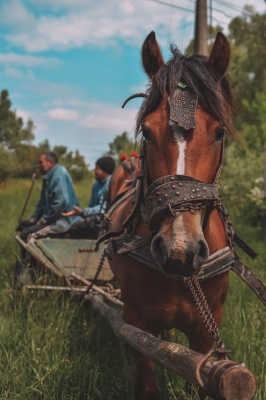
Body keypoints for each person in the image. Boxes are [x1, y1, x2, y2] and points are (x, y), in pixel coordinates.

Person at [18, 151, 80, 242]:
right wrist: (33, 219)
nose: (38, 166)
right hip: (53, 219)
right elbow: (42, 202)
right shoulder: (48, 177)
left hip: (62, 222)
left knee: (26, 235)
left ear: (50, 163)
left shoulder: (58, 174)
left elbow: (61, 202)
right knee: (24, 226)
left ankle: (31, 256)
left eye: (40, 162)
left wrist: (43, 220)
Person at [62, 156, 115, 239]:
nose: (94, 171)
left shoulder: (111, 183)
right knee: (72, 222)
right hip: (95, 216)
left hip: (106, 218)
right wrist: (83, 213)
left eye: (97, 168)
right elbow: (91, 205)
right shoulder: (96, 185)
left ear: (105, 170)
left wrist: (82, 211)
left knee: (77, 227)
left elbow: (102, 209)